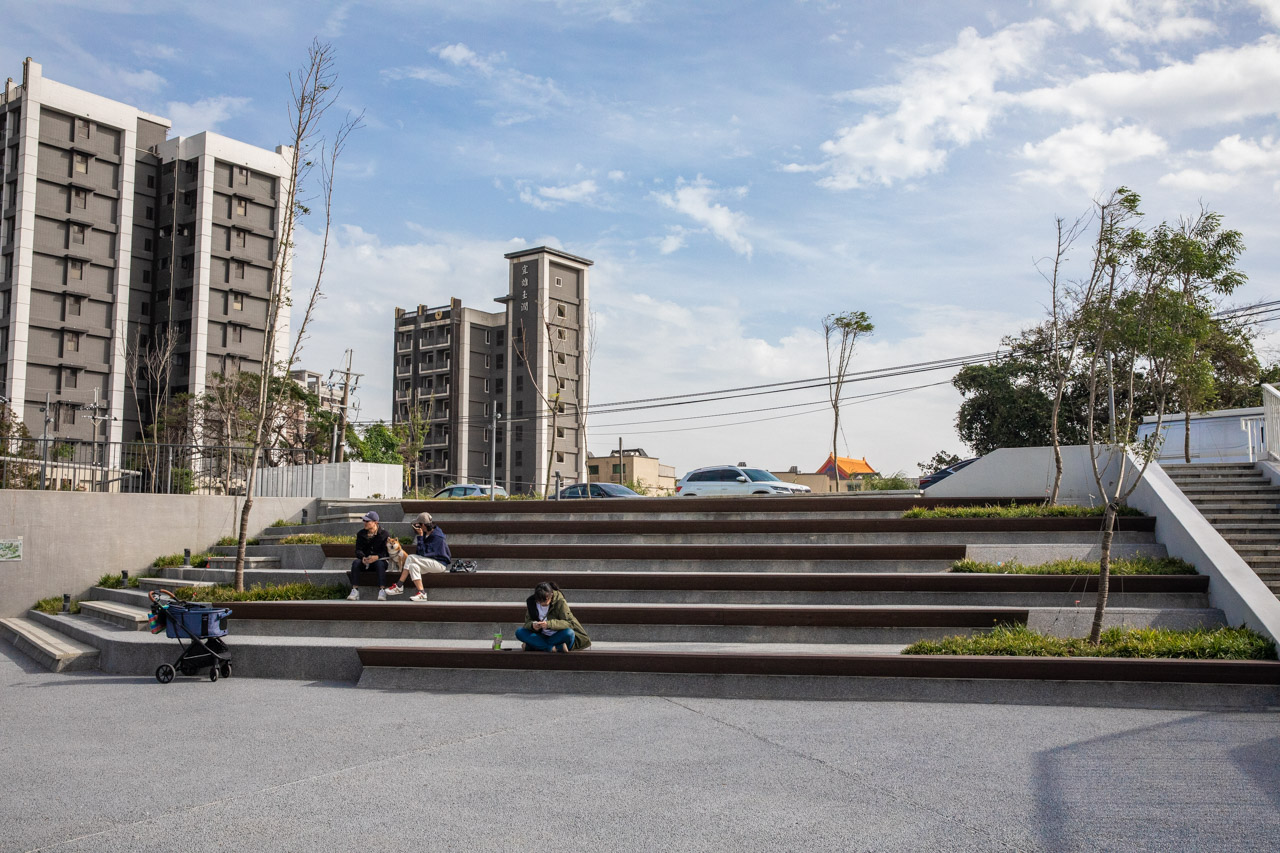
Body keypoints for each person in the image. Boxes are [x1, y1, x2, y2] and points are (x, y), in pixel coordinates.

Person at [386, 512, 450, 602]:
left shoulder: (436, 536)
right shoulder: (426, 533)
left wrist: (420, 537)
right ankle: (422, 593)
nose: (416, 527)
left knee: (411, 557)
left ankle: (399, 585)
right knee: (413, 566)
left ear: (423, 525)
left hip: (439, 564)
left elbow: (423, 553)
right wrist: (421, 537)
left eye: (418, 524)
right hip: (430, 562)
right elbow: (420, 552)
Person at [515, 581, 591, 652]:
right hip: (541, 636)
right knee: (519, 632)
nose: (543, 603)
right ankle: (555, 648)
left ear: (551, 595)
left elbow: (569, 623)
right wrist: (533, 625)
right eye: (540, 601)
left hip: (559, 636)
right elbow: (527, 623)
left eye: (545, 600)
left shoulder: (560, 602)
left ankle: (534, 646)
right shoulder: (532, 603)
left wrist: (549, 624)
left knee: (569, 633)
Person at [347, 511, 391, 601]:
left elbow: (386, 552)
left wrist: (376, 557)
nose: (365, 523)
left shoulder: (384, 534)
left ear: (375, 522)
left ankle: (382, 591)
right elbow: (358, 550)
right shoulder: (361, 534)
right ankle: (355, 590)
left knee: (380, 564)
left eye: (367, 521)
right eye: (364, 521)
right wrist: (363, 557)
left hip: (379, 560)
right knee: (356, 563)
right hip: (366, 561)